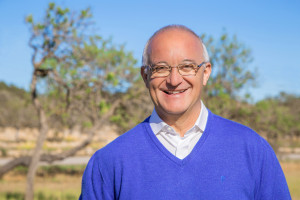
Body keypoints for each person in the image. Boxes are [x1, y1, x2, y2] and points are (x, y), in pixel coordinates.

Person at [79, 25, 291, 199]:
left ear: (205, 73)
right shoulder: (109, 162)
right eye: (160, 68)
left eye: (187, 66)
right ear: (145, 76)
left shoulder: (253, 151)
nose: (174, 80)